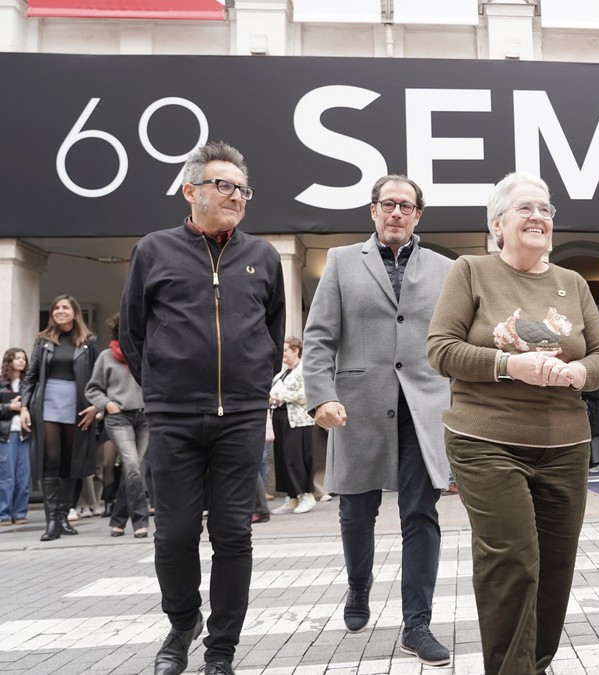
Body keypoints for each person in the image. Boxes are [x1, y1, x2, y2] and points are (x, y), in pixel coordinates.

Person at [427, 172, 599, 675]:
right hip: (486, 439)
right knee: (512, 560)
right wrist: (510, 365)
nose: (538, 217)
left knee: (555, 566)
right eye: (526, 208)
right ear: (497, 224)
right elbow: (440, 349)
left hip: (565, 443)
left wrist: (579, 372)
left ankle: (536, 664)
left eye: (546, 210)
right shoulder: (470, 271)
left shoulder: (572, 284)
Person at [120, 140, 285, 675]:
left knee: (234, 534)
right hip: (174, 416)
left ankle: (221, 650)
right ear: (191, 191)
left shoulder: (263, 257)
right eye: (224, 186)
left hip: (241, 415)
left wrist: (253, 386)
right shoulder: (153, 250)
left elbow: (273, 332)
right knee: (174, 534)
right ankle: (182, 622)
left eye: (243, 189)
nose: (236, 196)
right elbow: (133, 331)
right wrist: (163, 388)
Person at [303, 174, 455, 666]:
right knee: (355, 512)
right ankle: (358, 584)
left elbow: (453, 340)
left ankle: (417, 623)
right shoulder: (342, 261)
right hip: (356, 407)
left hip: (423, 408)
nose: (396, 213)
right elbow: (319, 337)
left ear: (417, 215)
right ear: (373, 210)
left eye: (406, 206)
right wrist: (321, 397)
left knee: (420, 513)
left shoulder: (446, 269)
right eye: (388, 204)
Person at [19, 295, 99, 542]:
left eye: (65, 307)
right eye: (56, 308)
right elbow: (30, 377)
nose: (59, 311)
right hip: (48, 403)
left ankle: (64, 516)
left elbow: (98, 378)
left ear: (75, 312)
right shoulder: (43, 341)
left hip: (77, 404)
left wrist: (95, 406)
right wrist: (24, 407)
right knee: (51, 459)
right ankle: (52, 521)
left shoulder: (89, 341)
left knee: (70, 461)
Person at [86, 313, 150, 538]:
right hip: (119, 417)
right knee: (132, 465)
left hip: (145, 418)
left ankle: (118, 520)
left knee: (134, 469)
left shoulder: (146, 353)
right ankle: (140, 520)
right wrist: (107, 404)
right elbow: (92, 389)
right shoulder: (106, 357)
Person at [269, 337, 316, 515]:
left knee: (296, 458)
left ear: (296, 351)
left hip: (299, 421)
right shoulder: (282, 373)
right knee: (283, 458)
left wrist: (283, 396)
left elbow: (307, 394)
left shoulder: (304, 370)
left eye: (286, 350)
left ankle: (306, 495)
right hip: (281, 418)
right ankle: (292, 496)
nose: (283, 354)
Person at [0, 348, 31, 526]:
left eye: (23, 358)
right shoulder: (1, 383)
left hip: (25, 434)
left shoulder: (29, 383)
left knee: (23, 476)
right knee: (6, 476)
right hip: (6, 434)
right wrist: (9, 408)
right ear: (9, 361)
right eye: (17, 358)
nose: (21, 361)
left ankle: (20, 512)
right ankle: (3, 514)